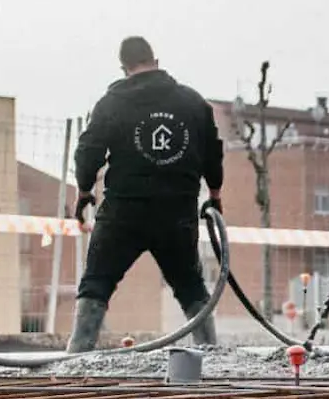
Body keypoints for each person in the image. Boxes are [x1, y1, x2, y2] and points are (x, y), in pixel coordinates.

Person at [67, 36, 224, 352]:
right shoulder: (192, 102)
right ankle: (211, 353)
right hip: (176, 212)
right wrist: (215, 193)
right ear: (156, 58)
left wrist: (84, 190)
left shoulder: (111, 103)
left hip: (124, 213)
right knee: (190, 286)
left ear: (123, 67)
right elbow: (212, 152)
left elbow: (88, 152)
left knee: (97, 282)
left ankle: (77, 355)